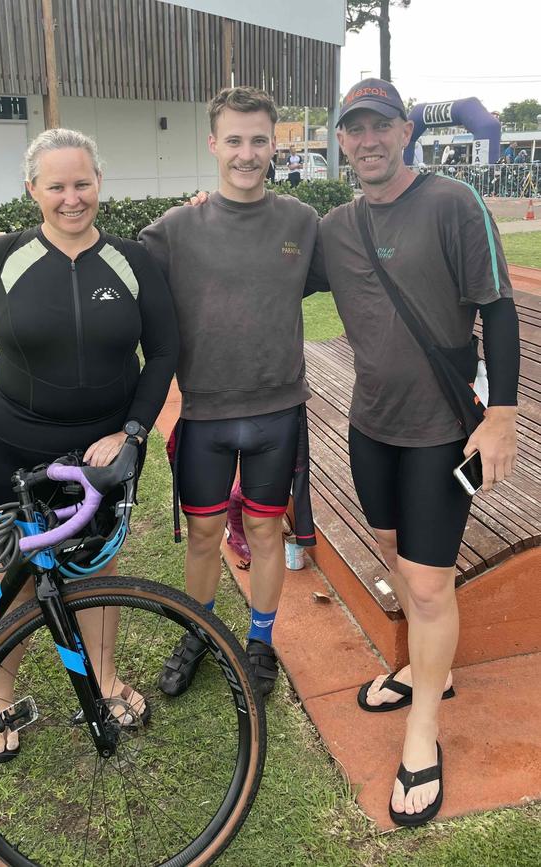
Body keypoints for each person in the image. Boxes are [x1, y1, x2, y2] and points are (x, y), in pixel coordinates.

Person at [0, 89, 323, 701]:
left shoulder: (303, 222)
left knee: (266, 535)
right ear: (213, 144)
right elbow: (87, 247)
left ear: (274, 143)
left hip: (277, 409)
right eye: (233, 140)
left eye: (259, 139)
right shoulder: (175, 228)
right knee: (205, 535)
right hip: (205, 413)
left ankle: (259, 645)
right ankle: (199, 633)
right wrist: (0, 249)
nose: (247, 152)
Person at [0, 128, 179, 760]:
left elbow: (164, 349)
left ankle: (106, 681)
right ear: (33, 189)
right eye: (56, 185)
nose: (71, 197)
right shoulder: (3, 256)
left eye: (82, 183)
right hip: (14, 445)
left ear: (99, 183)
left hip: (101, 452)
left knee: (96, 566)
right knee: (22, 575)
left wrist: (132, 430)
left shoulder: (134, 261)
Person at [312, 78, 519, 826]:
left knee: (428, 587)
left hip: (443, 429)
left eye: (379, 126)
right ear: (342, 141)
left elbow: (496, 310)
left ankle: (423, 727)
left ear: (405, 131)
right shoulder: (335, 226)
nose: (366, 140)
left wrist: (501, 414)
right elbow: (254, 261)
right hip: (371, 426)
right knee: (398, 558)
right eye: (353, 129)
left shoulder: (452, 203)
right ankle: (424, 668)